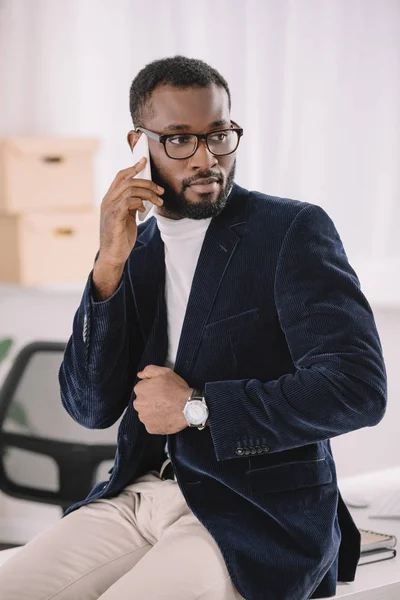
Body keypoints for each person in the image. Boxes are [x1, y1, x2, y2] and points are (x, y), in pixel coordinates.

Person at [0, 55, 387, 600]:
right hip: (135, 498)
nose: (207, 158)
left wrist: (195, 407)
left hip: (251, 514)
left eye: (219, 135)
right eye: (180, 139)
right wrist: (106, 266)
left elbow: (357, 389)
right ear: (140, 144)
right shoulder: (133, 251)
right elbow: (90, 407)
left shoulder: (288, 231)